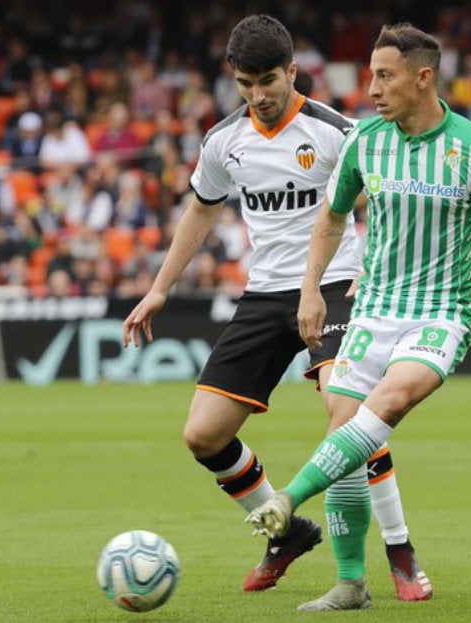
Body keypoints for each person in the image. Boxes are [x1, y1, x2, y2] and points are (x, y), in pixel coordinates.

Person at [122, 14, 432, 604]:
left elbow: (381, 201)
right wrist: (160, 287)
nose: (258, 95)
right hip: (265, 295)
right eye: (246, 83)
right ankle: (286, 532)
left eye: (268, 80)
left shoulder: (338, 133)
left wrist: (375, 269)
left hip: (338, 284)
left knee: (349, 417)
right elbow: (201, 211)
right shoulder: (224, 142)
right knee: (203, 435)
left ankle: (398, 548)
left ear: (293, 72)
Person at [247, 22, 471, 611]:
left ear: (423, 78)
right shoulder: (365, 141)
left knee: (388, 403)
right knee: (343, 428)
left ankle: (288, 499)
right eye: (372, 74)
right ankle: (352, 583)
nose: (371, 87)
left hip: (444, 312)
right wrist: (310, 292)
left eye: (384, 75)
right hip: (374, 307)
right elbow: (330, 218)